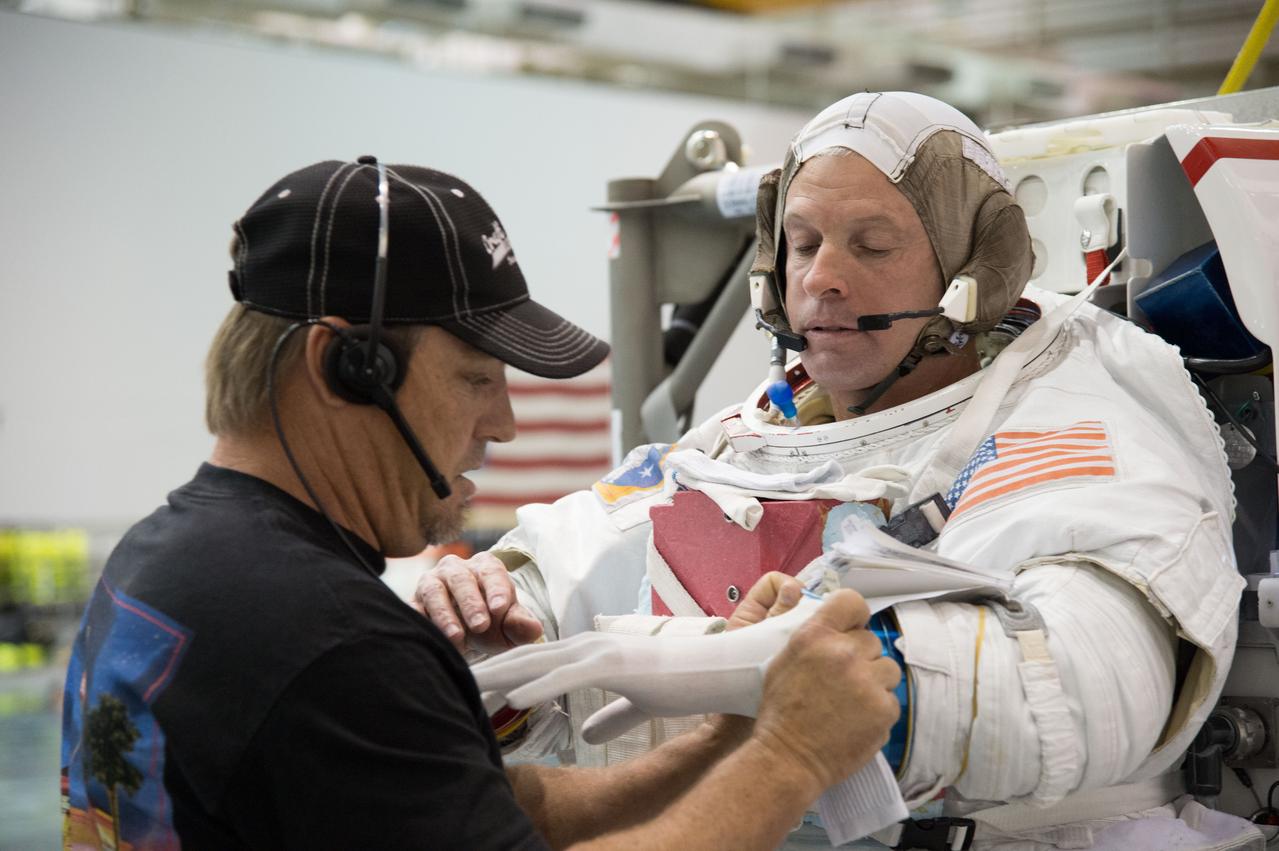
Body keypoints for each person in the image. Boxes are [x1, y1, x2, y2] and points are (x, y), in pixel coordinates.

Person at [416, 93, 1265, 850]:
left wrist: (766, 671)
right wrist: (481, 626)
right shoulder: (738, 445)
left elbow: (1078, 687)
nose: (821, 278)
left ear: (974, 271)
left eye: (871, 244)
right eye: (803, 242)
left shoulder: (1075, 413)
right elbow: (562, 574)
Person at [58, 157, 903, 850]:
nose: (501, 422)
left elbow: (476, 810)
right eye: (475, 379)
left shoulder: (165, 561)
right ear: (344, 368)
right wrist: (792, 755)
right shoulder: (326, 642)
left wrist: (726, 737)